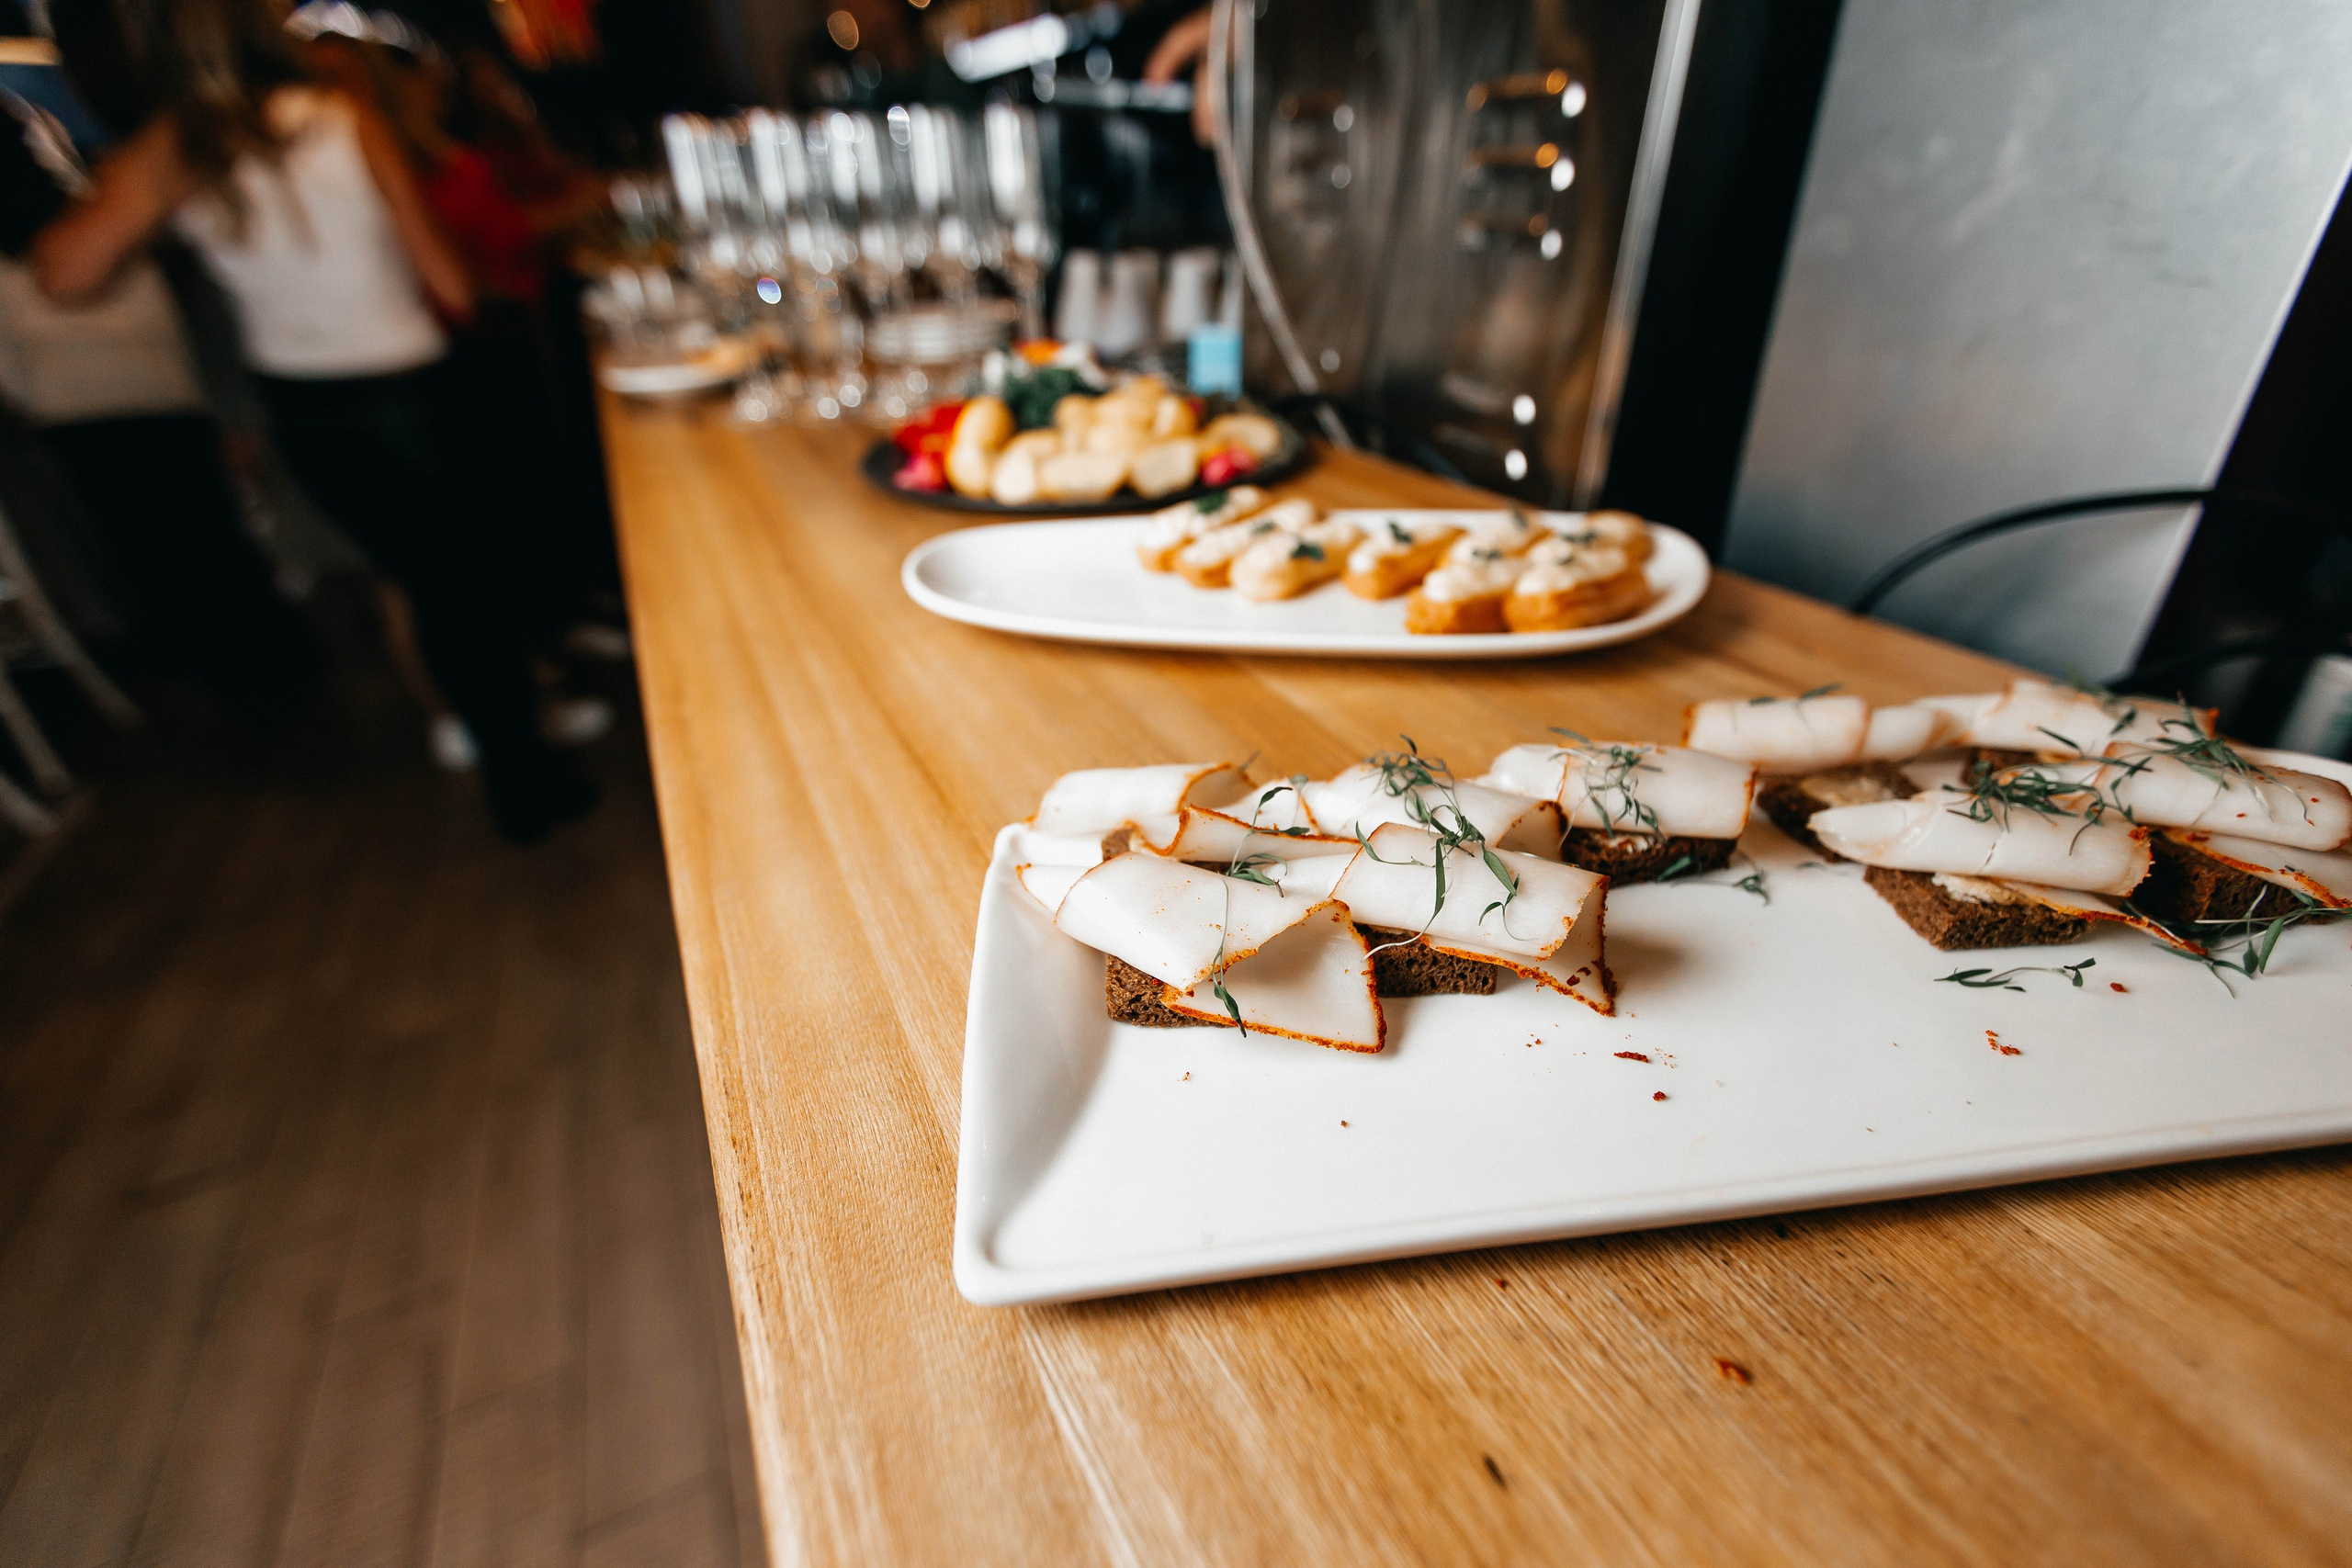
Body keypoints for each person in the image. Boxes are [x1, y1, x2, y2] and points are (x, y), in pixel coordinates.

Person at [32, 0, 594, 842]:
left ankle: (498, 755)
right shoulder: (341, 118)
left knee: (415, 581)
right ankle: (526, 780)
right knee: (465, 587)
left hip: (306, 413)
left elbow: (65, 273)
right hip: (411, 396)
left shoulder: (178, 147)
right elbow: (448, 283)